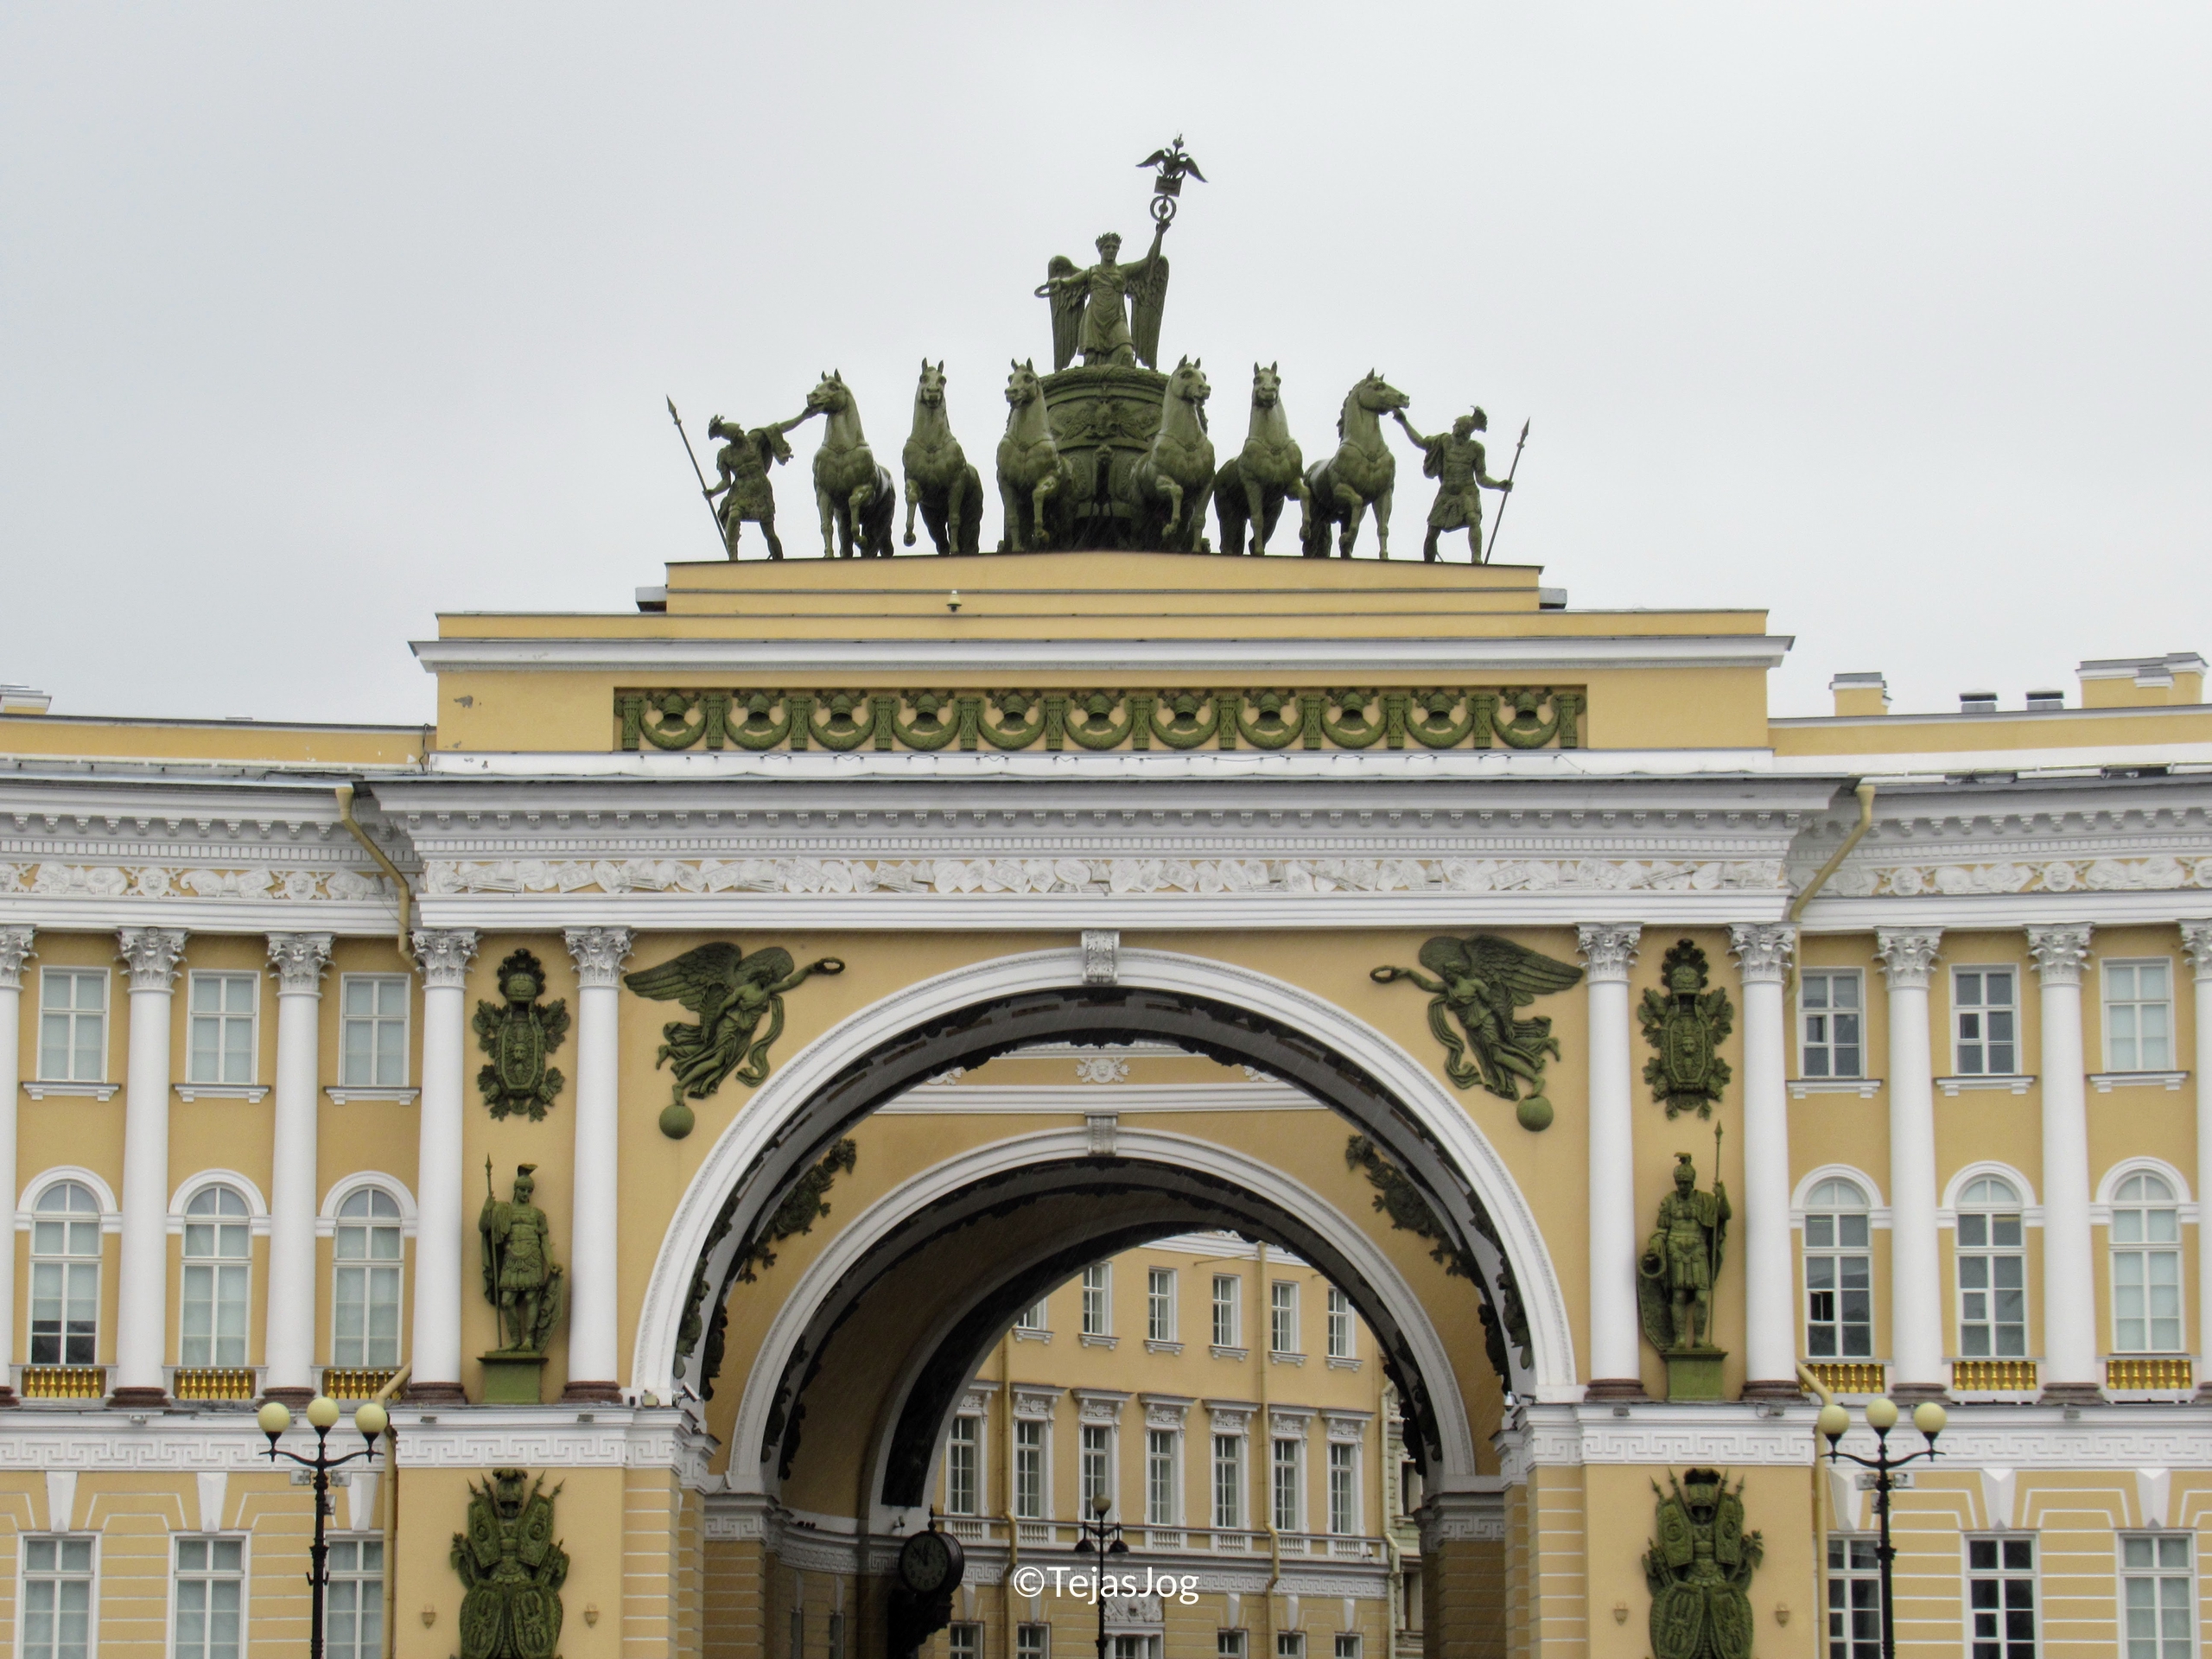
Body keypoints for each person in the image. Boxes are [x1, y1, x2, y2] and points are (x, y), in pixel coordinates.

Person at [1392, 406, 1512, 562]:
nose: (1454, 428)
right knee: (1431, 532)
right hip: (1446, 492)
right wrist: (1404, 422)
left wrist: (1499, 485)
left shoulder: (1476, 449)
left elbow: (1481, 478)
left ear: (1464, 429)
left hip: (1467, 492)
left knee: (1473, 519)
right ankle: (1428, 565)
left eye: (1457, 426)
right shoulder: (1444, 441)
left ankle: (1476, 558)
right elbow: (1421, 442)